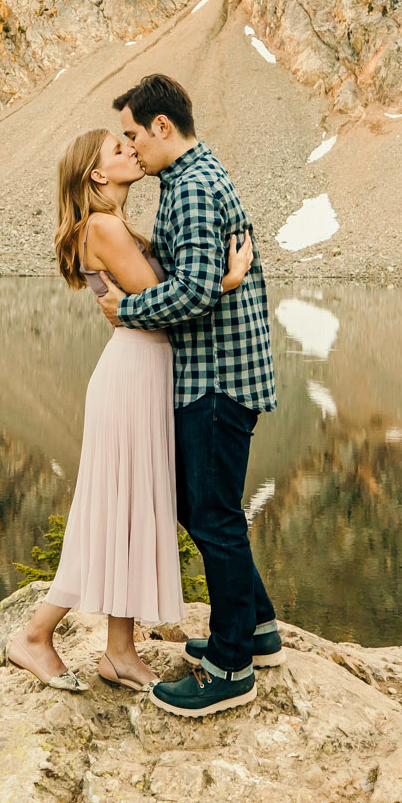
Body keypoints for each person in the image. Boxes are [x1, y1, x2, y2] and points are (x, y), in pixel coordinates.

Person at [1, 127, 253, 693]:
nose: (132, 152)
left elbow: (145, 301)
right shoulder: (105, 226)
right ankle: (35, 636)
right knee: (113, 510)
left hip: (144, 373)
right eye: (118, 150)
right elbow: (167, 304)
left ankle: (119, 651)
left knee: (133, 510)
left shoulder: (113, 224)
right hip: (133, 373)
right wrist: (230, 278)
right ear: (96, 174)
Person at [97, 74, 280, 718]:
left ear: (161, 127)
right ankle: (256, 628)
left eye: (131, 133)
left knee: (212, 516)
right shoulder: (189, 180)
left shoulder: (194, 188)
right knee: (208, 508)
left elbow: (195, 293)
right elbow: (204, 279)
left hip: (215, 379)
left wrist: (128, 309)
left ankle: (230, 667)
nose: (130, 146)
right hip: (219, 374)